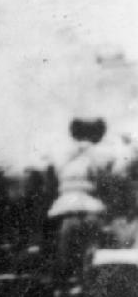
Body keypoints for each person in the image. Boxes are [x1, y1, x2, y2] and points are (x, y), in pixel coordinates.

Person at [48, 117, 113, 283]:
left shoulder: (63, 154)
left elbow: (54, 177)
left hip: (65, 207)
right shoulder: (99, 154)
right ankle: (88, 279)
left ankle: (63, 280)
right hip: (90, 207)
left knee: (62, 250)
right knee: (91, 250)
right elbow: (104, 179)